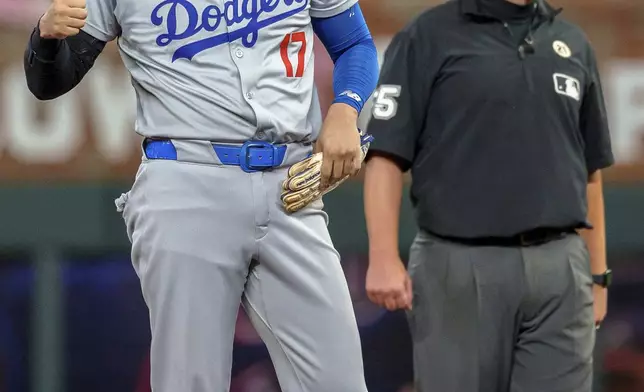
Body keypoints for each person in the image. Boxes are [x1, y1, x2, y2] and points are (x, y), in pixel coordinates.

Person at [24, 0, 379, 390]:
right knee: (189, 381)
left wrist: (346, 109)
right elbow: (51, 81)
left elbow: (355, 45)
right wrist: (46, 36)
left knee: (339, 381)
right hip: (187, 179)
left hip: (290, 187)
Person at [362, 0, 613, 391]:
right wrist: (381, 257)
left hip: (561, 268)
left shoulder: (572, 42)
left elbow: (589, 171)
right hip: (458, 264)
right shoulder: (428, 36)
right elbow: (385, 155)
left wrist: (597, 278)